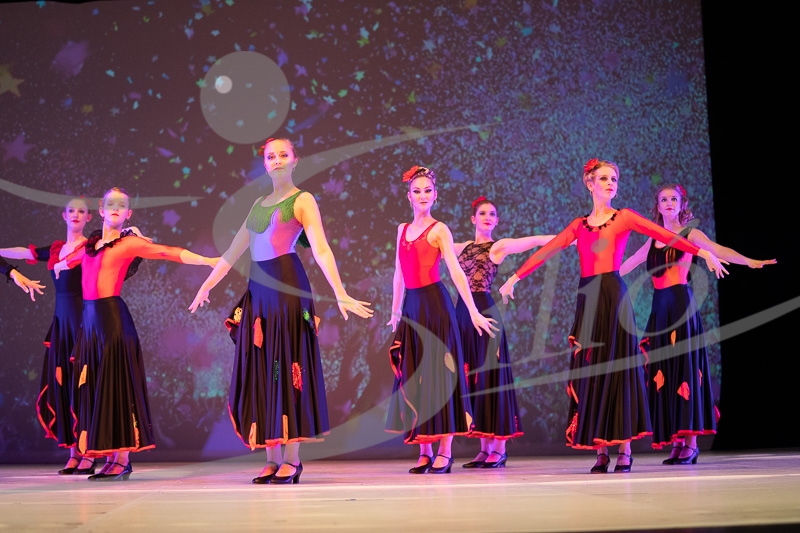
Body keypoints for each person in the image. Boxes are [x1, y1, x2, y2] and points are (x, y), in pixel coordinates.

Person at [498, 159, 728, 473]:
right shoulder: (579, 225)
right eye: (604, 178)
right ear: (589, 184)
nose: (610, 184)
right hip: (588, 299)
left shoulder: (625, 217)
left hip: (614, 296)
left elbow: (664, 234)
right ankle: (601, 451)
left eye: (614, 179)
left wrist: (704, 253)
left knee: (620, 371)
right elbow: (549, 249)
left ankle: (625, 451)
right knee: (592, 373)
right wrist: (515, 277)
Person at [189, 137, 373, 485]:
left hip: (287, 289)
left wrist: (340, 291)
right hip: (259, 292)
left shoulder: (302, 200)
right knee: (264, 369)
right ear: (265, 164)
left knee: (288, 367)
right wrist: (207, 285)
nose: (276, 160)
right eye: (270, 156)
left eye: (283, 154)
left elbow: (320, 248)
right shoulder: (258, 204)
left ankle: (292, 458)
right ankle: (272, 457)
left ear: (295, 160)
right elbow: (232, 252)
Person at [54, 187, 218, 481]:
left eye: (122, 205)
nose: (115, 208)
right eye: (110, 204)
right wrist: (58, 265)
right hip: (89, 324)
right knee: (95, 389)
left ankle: (122, 459)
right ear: (101, 210)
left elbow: (168, 252)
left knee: (116, 387)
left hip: (112, 321)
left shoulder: (129, 244)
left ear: (128, 214)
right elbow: (68, 261)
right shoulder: (89, 246)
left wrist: (207, 260)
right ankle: (108, 455)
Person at [620, 183, 776, 465]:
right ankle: (677, 441)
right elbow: (628, 263)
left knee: (686, 371)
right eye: (664, 200)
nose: (669, 203)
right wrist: (601, 276)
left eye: (674, 199)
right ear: (657, 206)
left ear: (682, 204)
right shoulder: (653, 239)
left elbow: (717, 249)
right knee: (664, 372)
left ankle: (691, 444)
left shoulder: (690, 233)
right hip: (660, 310)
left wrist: (749, 261)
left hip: (682, 306)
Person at [385, 166, 498, 475]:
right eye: (417, 191)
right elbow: (398, 273)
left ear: (435, 195)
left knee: (441, 376)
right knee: (416, 376)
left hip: (436, 307)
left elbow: (455, 271)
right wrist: (395, 311)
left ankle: (445, 452)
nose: (423, 196)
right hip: (413, 307)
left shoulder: (439, 230)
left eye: (428, 191)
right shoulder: (402, 230)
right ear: (409, 196)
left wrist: (473, 310)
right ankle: (424, 449)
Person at [454, 196, 558, 469]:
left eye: (492, 214)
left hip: (485, 314)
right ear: (473, 219)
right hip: (462, 315)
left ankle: (499, 449)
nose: (488, 217)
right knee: (473, 380)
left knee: (492, 379)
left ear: (497, 221)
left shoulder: (498, 246)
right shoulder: (461, 247)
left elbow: (535, 241)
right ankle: (484, 447)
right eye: (483, 213)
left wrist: (572, 238)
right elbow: (432, 247)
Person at [0, 198, 96, 474]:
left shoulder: (91, 247)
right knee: (64, 386)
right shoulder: (56, 250)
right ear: (63, 215)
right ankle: (74, 451)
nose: (76, 214)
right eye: (71, 210)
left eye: (81, 211)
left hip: (82, 321)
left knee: (84, 386)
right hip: (61, 325)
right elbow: (24, 252)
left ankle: (90, 451)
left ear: (89, 217)